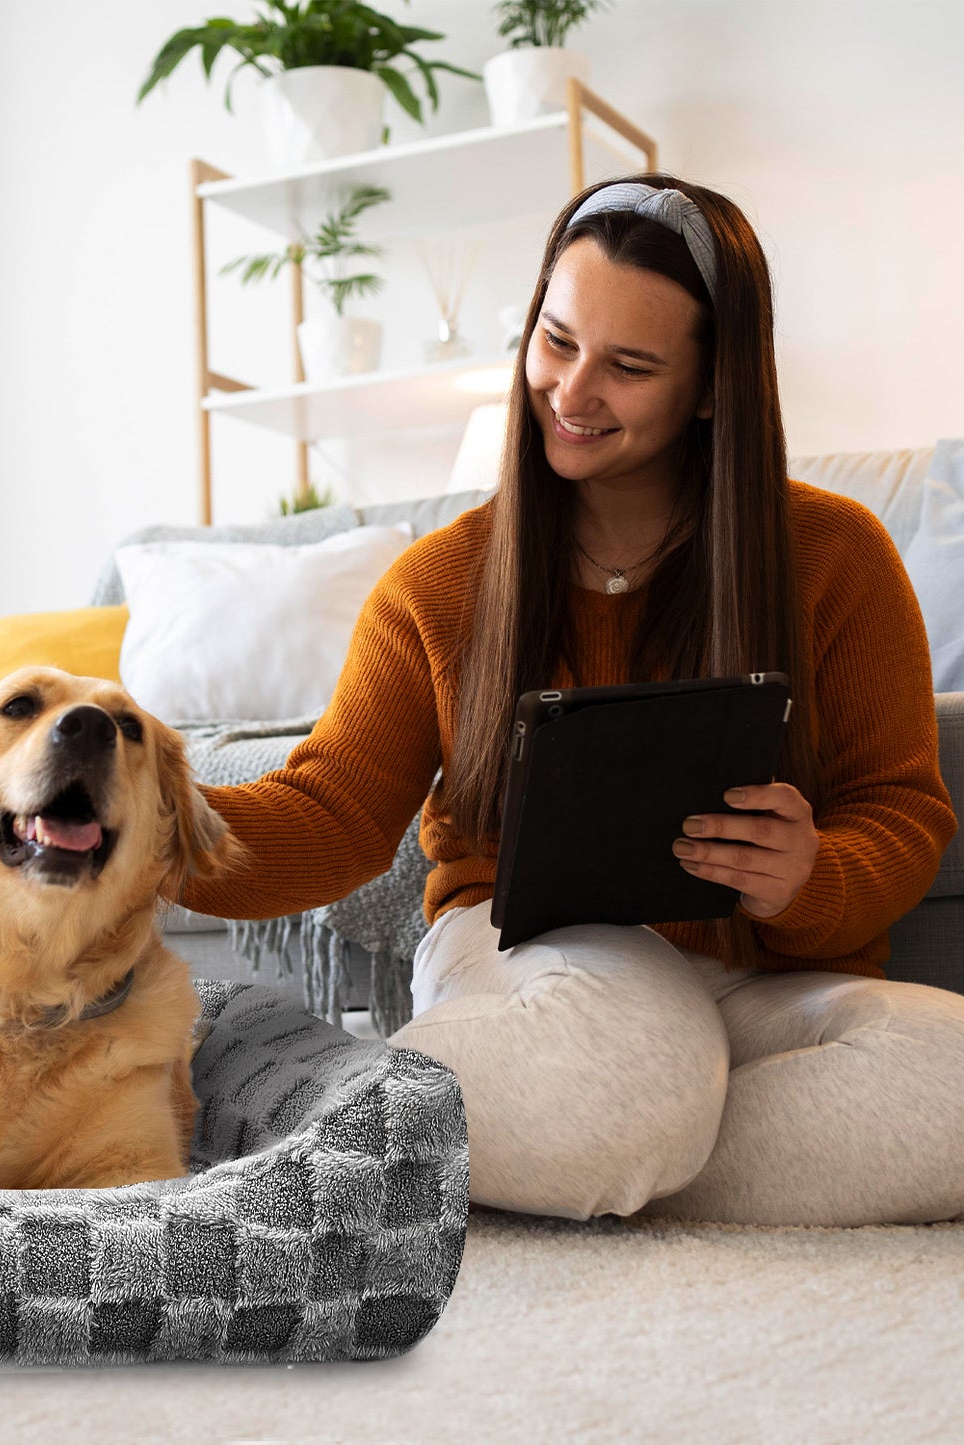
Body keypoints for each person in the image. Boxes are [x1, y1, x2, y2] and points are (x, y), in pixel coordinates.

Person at [176, 173, 963, 1229]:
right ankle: (301, 1096)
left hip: (747, 985)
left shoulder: (833, 556)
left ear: (707, 387)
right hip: (529, 967)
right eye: (554, 341)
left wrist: (812, 872)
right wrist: (140, 826)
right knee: (632, 1072)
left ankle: (568, 1148)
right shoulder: (440, 581)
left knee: (938, 1077)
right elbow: (333, 812)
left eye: (627, 366)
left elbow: (901, 808)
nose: (570, 390)